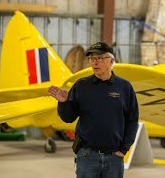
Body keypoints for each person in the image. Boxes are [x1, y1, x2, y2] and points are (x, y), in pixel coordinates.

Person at [48, 42, 139, 178]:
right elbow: (68, 118)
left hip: (114, 157)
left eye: (100, 58)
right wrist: (64, 103)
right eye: (92, 59)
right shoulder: (81, 85)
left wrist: (123, 149)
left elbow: (132, 120)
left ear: (111, 61)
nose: (95, 63)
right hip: (87, 155)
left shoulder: (125, 87)